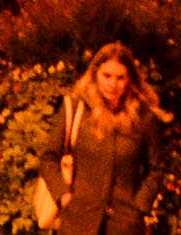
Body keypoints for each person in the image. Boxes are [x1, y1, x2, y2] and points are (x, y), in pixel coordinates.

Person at [36, 44, 167, 235]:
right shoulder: (76, 108)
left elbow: (156, 169)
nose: (113, 84)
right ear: (95, 73)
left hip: (124, 225)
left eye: (120, 77)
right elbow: (48, 157)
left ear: (130, 79)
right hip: (77, 221)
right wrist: (63, 195)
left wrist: (139, 206)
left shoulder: (144, 118)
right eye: (107, 76)